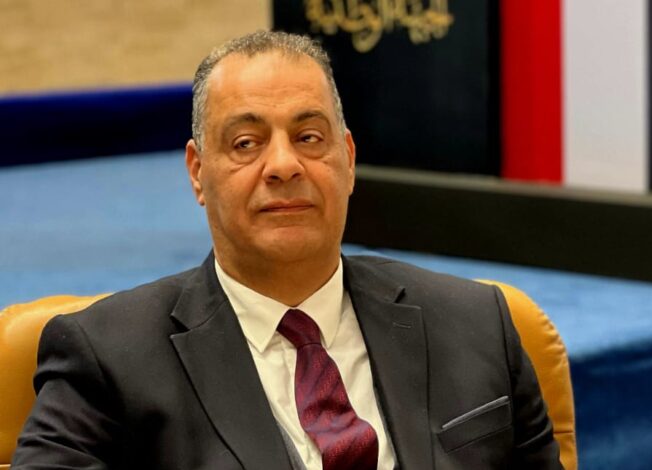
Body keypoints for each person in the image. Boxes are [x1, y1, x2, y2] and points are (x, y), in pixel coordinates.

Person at [12, 30, 561, 469]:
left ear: (348, 160)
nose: (283, 165)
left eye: (309, 137)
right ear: (198, 172)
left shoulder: (478, 325)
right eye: (246, 143)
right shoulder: (106, 359)